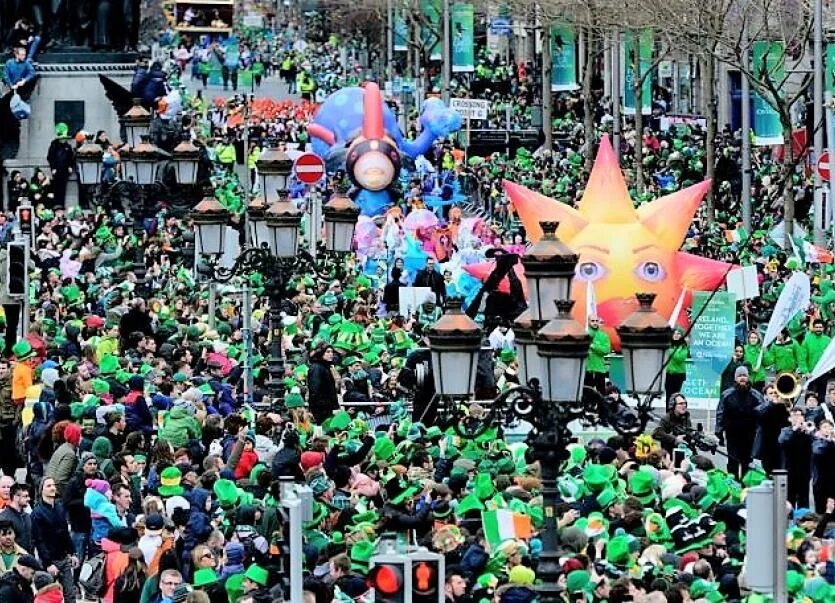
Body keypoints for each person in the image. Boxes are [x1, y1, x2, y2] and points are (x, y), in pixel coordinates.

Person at [30, 477, 77, 603]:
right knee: (49, 596)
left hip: (63, 557)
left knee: (70, 594)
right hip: (50, 560)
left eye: (53, 485)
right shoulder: (37, 513)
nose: (52, 488)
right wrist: (48, 563)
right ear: (42, 490)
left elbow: (65, 533)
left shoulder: (59, 507)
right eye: (48, 486)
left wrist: (72, 553)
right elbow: (39, 540)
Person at [716, 366, 762, 480]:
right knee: (733, 462)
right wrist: (718, 431)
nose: (742, 378)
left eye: (744, 375)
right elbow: (720, 413)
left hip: (749, 435)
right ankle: (734, 486)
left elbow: (762, 414)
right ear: (735, 378)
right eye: (740, 376)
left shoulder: (756, 395)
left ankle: (746, 488)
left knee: (747, 462)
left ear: (748, 378)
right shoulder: (727, 394)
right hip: (732, 434)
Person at [779, 406, 814, 508]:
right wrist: (795, 429)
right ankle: (789, 519)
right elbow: (782, 441)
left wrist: (808, 433)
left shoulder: (808, 430)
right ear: (789, 418)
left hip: (804, 470)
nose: (797, 418)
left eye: (799, 415)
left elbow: (815, 444)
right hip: (790, 469)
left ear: (804, 418)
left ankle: (804, 520)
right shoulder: (785, 430)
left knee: (804, 498)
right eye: (794, 415)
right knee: (790, 497)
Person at [753, 383, 790, 474]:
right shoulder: (762, 407)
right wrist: (772, 404)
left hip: (782, 446)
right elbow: (759, 415)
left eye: (776, 393)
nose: (774, 395)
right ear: (765, 396)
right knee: (769, 473)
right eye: (771, 393)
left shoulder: (784, 407)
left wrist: (785, 407)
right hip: (767, 447)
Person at [45, 422, 81, 497]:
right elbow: (60, 480)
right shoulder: (70, 454)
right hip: (57, 494)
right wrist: (68, 496)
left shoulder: (62, 448)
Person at [46, 123, 75, 208]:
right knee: (56, 187)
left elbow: (71, 157)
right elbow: (50, 157)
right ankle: (56, 205)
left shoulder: (68, 146)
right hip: (57, 170)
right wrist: (53, 167)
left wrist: (70, 166)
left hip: (65, 170)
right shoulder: (54, 145)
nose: (64, 140)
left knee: (63, 188)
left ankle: (62, 205)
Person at [307, 344, 338, 423]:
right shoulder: (317, 368)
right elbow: (314, 389)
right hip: (320, 409)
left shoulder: (325, 367)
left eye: (332, 352)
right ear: (321, 353)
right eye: (328, 352)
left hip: (326, 407)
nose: (331, 354)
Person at [0, 484, 32, 552]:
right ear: (15, 497)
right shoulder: (4, 518)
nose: (29, 499)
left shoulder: (27, 517)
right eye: (25, 496)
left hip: (29, 559)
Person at [584, 315, 610, 394]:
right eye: (592, 321)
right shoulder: (584, 334)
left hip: (599, 369)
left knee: (601, 394)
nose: (595, 323)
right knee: (586, 394)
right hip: (587, 369)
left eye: (596, 321)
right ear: (588, 321)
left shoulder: (603, 335)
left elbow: (606, 350)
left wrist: (593, 346)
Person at [664, 328, 688, 405]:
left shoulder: (684, 347)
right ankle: (668, 414)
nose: (676, 335)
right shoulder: (668, 345)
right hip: (669, 374)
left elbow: (679, 359)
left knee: (675, 396)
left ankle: (675, 413)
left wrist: (670, 351)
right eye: (674, 333)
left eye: (678, 334)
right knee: (668, 396)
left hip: (678, 375)